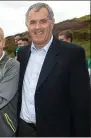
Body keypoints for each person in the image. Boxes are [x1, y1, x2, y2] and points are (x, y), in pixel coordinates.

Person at [16, 2, 90, 136]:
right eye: (32, 22)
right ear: (27, 26)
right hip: (24, 130)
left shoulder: (73, 54)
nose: (37, 27)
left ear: (52, 23)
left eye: (43, 21)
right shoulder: (22, 53)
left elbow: (82, 104)